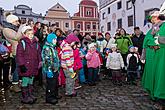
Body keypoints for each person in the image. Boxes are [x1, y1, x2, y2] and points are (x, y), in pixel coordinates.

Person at [16, 26, 41, 104]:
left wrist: (40, 62)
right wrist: (22, 65)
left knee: (31, 81)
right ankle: (25, 97)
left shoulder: (36, 43)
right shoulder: (22, 43)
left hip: (33, 66)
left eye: (32, 33)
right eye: (28, 34)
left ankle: (30, 95)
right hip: (25, 66)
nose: (31, 35)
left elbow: (38, 54)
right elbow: (19, 55)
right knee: (25, 81)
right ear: (24, 34)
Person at [2, 14, 22, 92]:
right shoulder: (6, 30)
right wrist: (21, 28)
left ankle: (17, 83)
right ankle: (14, 85)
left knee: (19, 68)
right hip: (16, 51)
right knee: (16, 69)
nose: (18, 23)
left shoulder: (13, 28)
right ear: (11, 21)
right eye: (16, 21)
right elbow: (16, 37)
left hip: (19, 50)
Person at [42, 33, 61, 104]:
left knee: (55, 83)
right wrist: (49, 70)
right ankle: (49, 97)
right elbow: (47, 60)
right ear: (50, 40)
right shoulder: (47, 48)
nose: (56, 41)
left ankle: (55, 95)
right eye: (54, 39)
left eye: (56, 39)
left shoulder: (53, 47)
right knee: (51, 84)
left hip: (55, 69)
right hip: (50, 69)